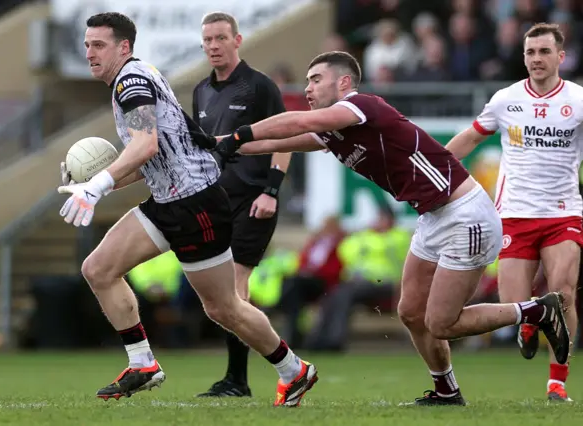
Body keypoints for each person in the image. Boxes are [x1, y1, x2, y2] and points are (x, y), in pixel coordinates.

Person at [212, 50, 571, 406]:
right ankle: (446, 390)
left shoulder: (361, 105)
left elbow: (299, 124)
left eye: (315, 80)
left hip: (465, 215)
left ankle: (536, 311)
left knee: (442, 323)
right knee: (410, 312)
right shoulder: (334, 131)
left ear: (344, 82)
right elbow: (276, 142)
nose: (307, 88)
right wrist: (217, 144)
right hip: (433, 217)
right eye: (306, 81)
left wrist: (239, 134)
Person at [56, 12, 317, 406]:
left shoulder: (131, 81)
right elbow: (153, 158)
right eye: (87, 44)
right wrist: (92, 186)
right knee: (98, 269)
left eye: (99, 45)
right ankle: (142, 362)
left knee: (224, 307)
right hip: (169, 202)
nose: (89, 52)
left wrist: (98, 184)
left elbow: (144, 146)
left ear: (123, 47)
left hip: (197, 205)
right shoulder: (134, 78)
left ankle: (293, 370)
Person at [445, 23, 582, 402]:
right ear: (523, 57)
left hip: (563, 213)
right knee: (512, 305)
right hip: (515, 215)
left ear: (560, 57)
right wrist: (436, 168)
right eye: (530, 53)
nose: (536, 59)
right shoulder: (506, 99)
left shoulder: (578, 99)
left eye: (543, 52)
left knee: (564, 293)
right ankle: (527, 323)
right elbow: (471, 137)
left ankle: (557, 381)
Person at [191, 12, 292, 398]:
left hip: (254, 201)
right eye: (208, 40)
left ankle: (241, 378)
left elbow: (286, 137)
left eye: (220, 38)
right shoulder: (201, 90)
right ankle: (241, 377)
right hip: (216, 201)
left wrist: (272, 191)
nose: (213, 45)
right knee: (219, 297)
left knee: (234, 288)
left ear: (238, 40)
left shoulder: (259, 86)